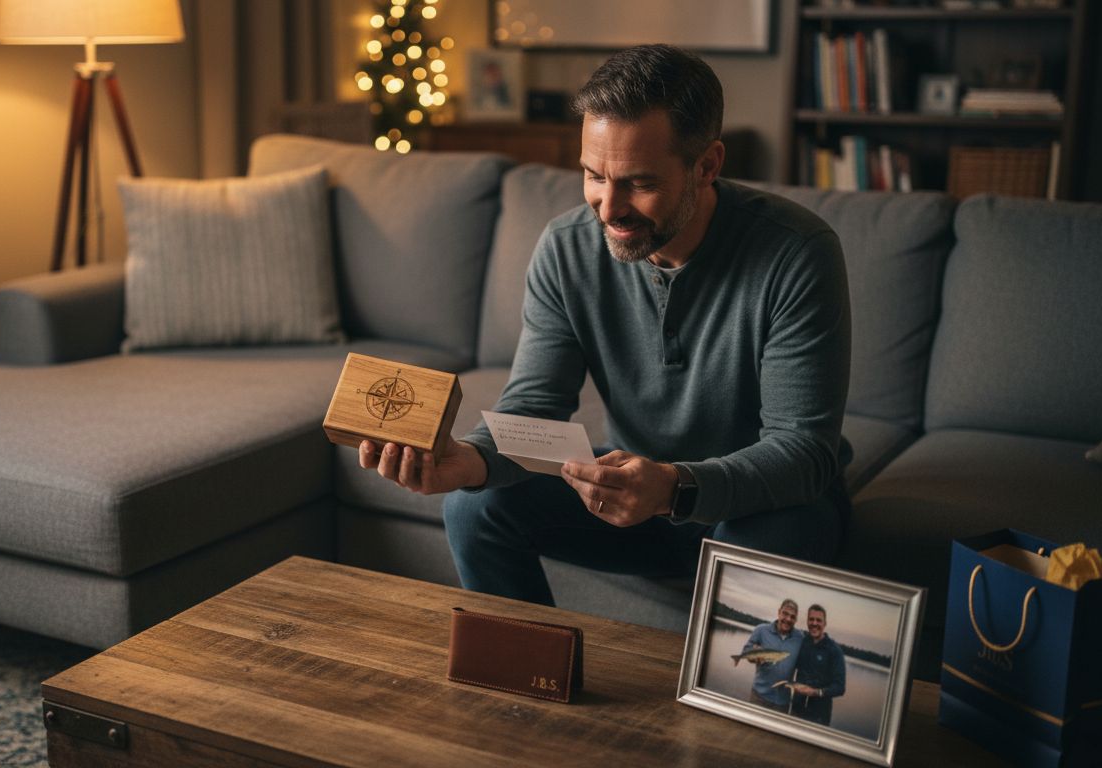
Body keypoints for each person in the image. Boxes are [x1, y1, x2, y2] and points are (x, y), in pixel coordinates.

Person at [356, 44, 851, 605]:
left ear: (707, 166)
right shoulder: (566, 249)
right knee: (473, 507)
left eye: (639, 183)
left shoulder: (797, 253)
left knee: (758, 543)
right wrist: (469, 462)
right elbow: (535, 405)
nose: (608, 208)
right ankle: (529, 659)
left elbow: (802, 451)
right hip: (638, 497)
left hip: (767, 507)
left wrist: (673, 487)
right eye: (593, 175)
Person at [740, 599, 805, 712]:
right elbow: (746, 651)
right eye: (785, 614)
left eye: (792, 617)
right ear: (779, 612)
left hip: (783, 703)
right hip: (759, 696)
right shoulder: (761, 630)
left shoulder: (800, 638)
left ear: (796, 620)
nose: (788, 619)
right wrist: (754, 656)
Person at [788, 604, 846, 725]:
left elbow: (840, 687)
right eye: (811, 619)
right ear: (807, 621)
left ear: (825, 623)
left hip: (818, 717)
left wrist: (816, 692)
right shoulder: (802, 642)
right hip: (796, 710)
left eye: (818, 620)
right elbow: (789, 661)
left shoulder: (834, 650)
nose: (814, 623)